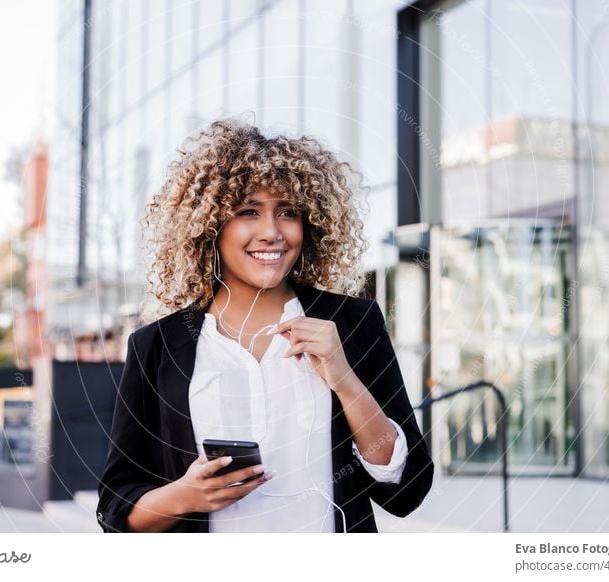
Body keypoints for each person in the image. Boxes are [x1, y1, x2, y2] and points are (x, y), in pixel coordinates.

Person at [96, 118, 433, 533]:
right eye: (248, 212)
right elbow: (114, 507)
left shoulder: (352, 322)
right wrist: (186, 495)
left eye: (288, 212)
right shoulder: (156, 346)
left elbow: (408, 488)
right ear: (211, 227)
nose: (272, 232)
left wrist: (345, 380)